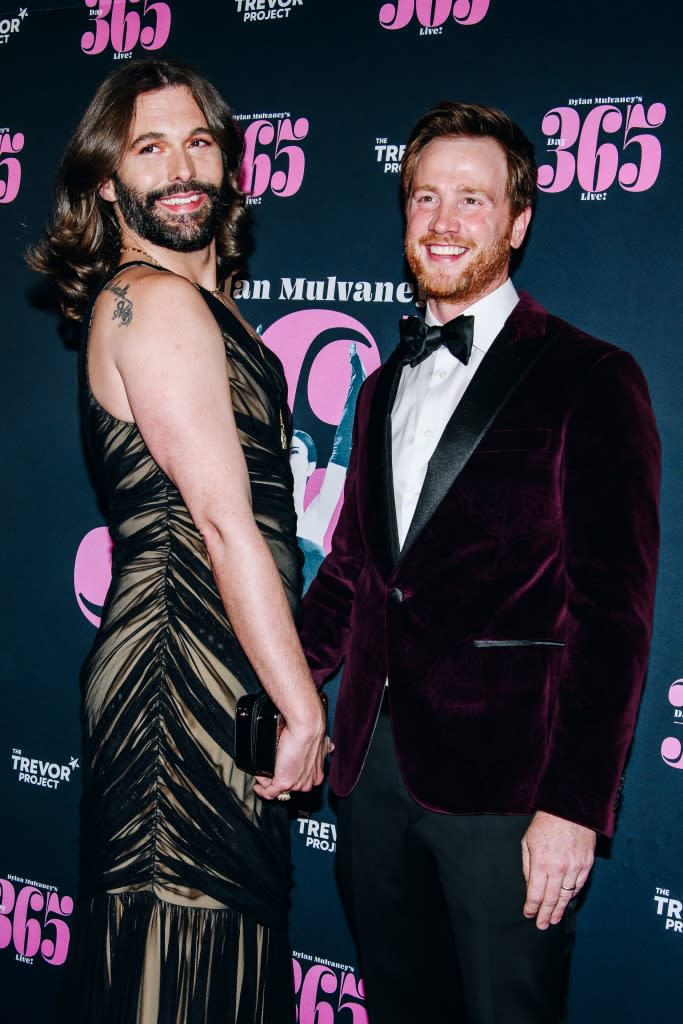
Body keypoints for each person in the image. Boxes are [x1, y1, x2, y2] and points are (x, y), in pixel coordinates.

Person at [300, 101, 660, 1024]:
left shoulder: (590, 375)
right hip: (370, 779)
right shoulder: (379, 385)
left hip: (510, 791)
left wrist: (575, 805)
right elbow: (350, 570)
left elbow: (612, 610)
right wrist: (294, 700)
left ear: (518, 219)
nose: (444, 222)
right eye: (425, 198)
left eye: (471, 198)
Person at [27, 58, 328, 1024]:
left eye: (199, 140)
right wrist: (302, 708)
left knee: (216, 942)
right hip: (174, 670)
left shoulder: (201, 303)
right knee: (181, 942)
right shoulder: (150, 300)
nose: (182, 164)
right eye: (149, 147)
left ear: (229, 164)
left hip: (215, 659)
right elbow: (222, 523)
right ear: (109, 183)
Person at [290, 342, 367, 592]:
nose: (287, 458)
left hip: (311, 596)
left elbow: (343, 445)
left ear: (311, 465)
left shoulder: (316, 514)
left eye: (294, 452)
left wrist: (356, 375)